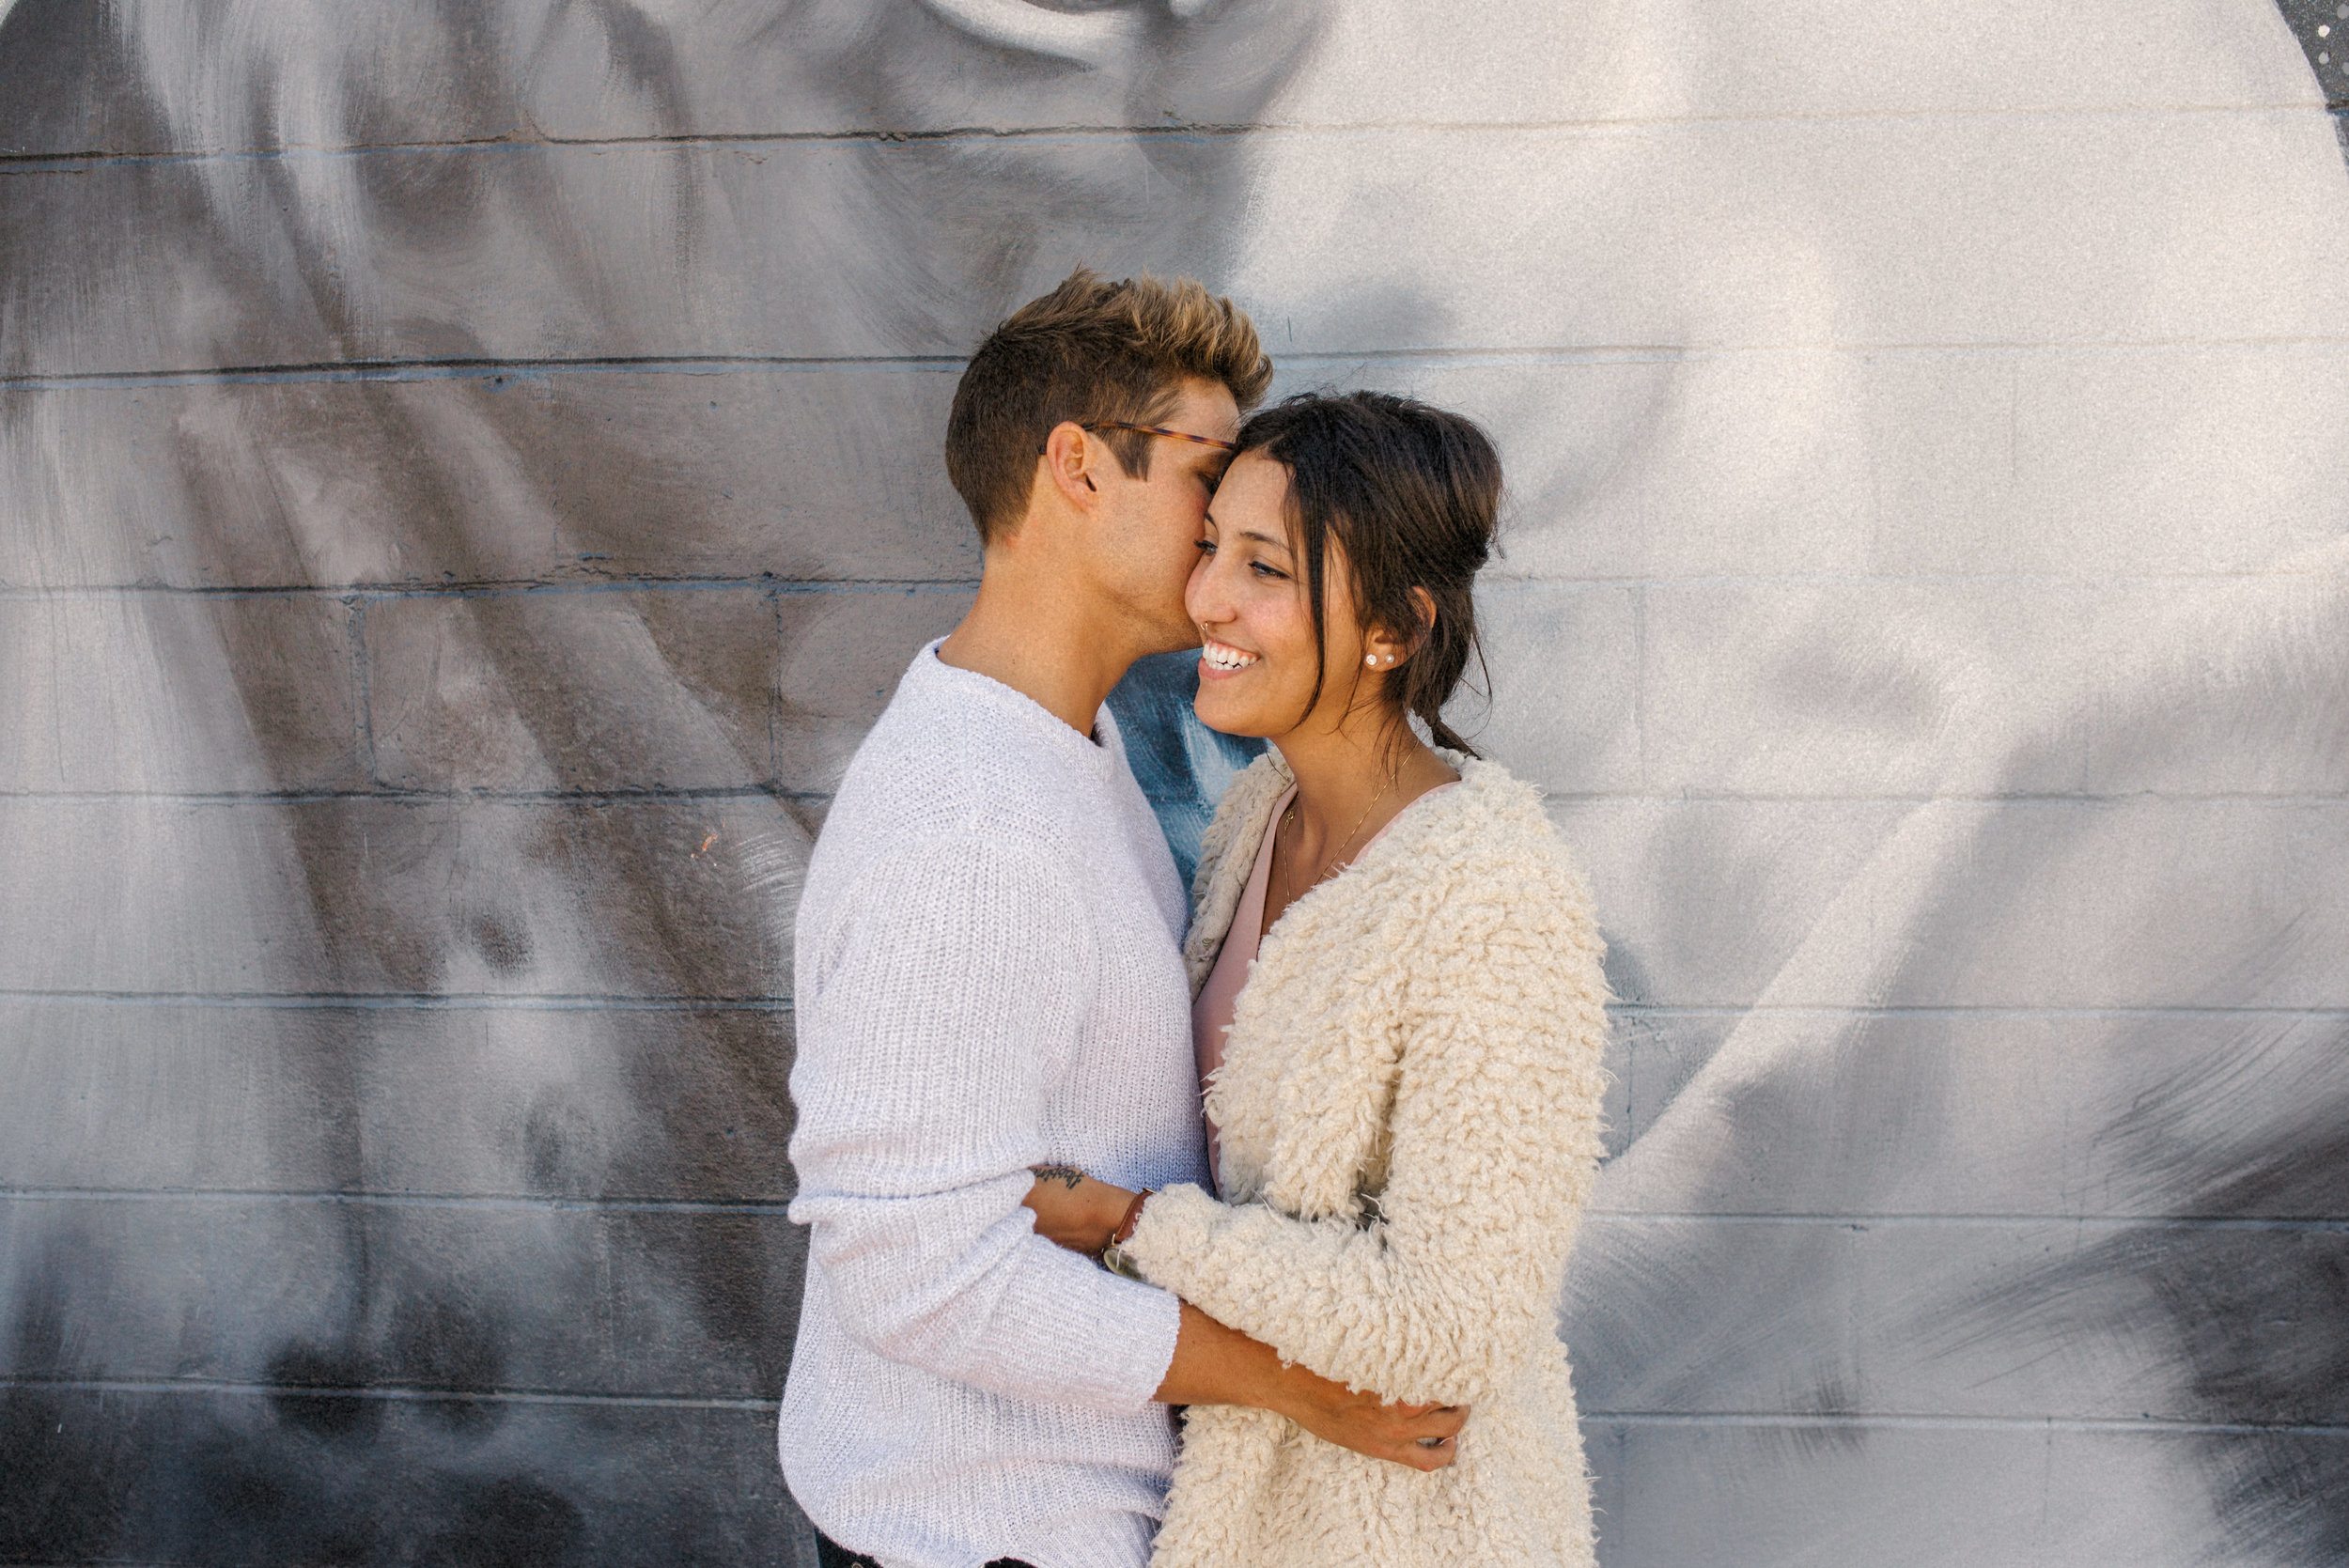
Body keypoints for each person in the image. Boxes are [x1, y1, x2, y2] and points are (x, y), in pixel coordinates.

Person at [782, 277, 1468, 1568]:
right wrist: (1294, 1381)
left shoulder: (1055, 752)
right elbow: (912, 1259)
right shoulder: (974, 822)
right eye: (1209, 479)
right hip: (989, 1530)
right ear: (1079, 468)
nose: (1231, 531)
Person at [1021, 391, 1612, 1567]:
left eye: (1265, 568)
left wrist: (1135, 1225)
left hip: (1407, 1529)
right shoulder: (1260, 813)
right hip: (1248, 1504)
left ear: (1393, 627)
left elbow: (1451, 1321)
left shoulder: (1487, 892)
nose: (1207, 600)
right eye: (1210, 550)